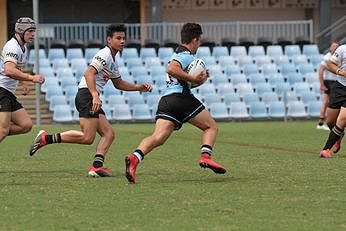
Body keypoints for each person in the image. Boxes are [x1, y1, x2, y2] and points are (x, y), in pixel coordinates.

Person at [28, 24, 153, 176]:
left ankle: (97, 166)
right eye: (118, 38)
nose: (122, 41)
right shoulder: (105, 54)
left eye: (123, 38)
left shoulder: (113, 60)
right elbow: (89, 74)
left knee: (109, 134)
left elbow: (119, 83)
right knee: (87, 137)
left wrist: (139, 87)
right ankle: (46, 138)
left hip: (89, 96)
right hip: (87, 95)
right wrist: (95, 95)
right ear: (109, 40)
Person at [124, 23, 226, 184]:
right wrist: (193, 78)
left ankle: (134, 158)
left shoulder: (178, 53)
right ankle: (205, 157)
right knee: (211, 127)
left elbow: (181, 77)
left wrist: (199, 80)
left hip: (167, 100)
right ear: (195, 40)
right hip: (181, 99)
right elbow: (171, 69)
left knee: (158, 137)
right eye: (199, 41)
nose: (199, 44)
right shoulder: (186, 55)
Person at [0, 17, 45, 143]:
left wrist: (23, 82)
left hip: (7, 92)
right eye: (29, 31)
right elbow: (9, 70)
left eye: (34, 31)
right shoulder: (13, 47)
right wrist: (32, 78)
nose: (33, 34)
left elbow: (15, 69)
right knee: (3, 130)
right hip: (1, 91)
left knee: (25, 125)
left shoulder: (22, 47)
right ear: (20, 32)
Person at [320, 44, 346, 158]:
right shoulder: (342, 49)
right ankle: (338, 136)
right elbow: (330, 64)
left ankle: (326, 150)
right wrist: (340, 72)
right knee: (330, 121)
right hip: (339, 87)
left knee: (342, 119)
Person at [317, 42, 339, 130]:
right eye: (333, 46)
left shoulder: (337, 56)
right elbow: (321, 70)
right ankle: (326, 122)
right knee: (328, 101)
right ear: (330, 48)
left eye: (337, 46)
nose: (335, 48)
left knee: (327, 101)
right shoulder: (327, 57)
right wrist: (321, 84)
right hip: (330, 82)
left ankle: (321, 122)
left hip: (334, 82)